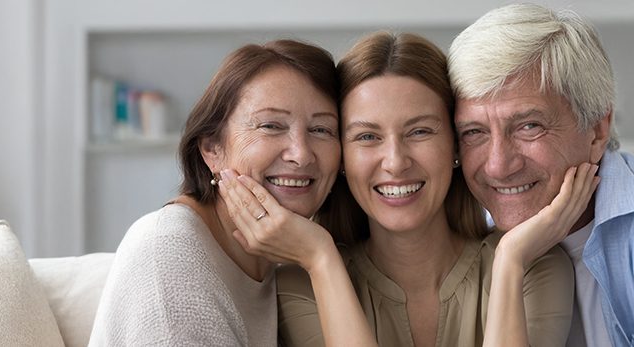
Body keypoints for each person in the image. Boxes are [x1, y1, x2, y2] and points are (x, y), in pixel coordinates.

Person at [220, 31, 598, 347]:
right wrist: (321, 259)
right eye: (367, 136)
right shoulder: (300, 283)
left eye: (419, 131)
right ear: (342, 157)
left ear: (455, 144)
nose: (395, 161)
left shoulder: (532, 265)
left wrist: (511, 259)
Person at [447, 4, 634, 346]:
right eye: (474, 132)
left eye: (529, 126)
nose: (498, 166)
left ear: (597, 129)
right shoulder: (452, 234)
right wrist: (510, 257)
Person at [88, 39, 343, 346]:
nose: (301, 155)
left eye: (321, 130)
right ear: (212, 149)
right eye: (270, 126)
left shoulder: (285, 259)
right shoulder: (170, 253)